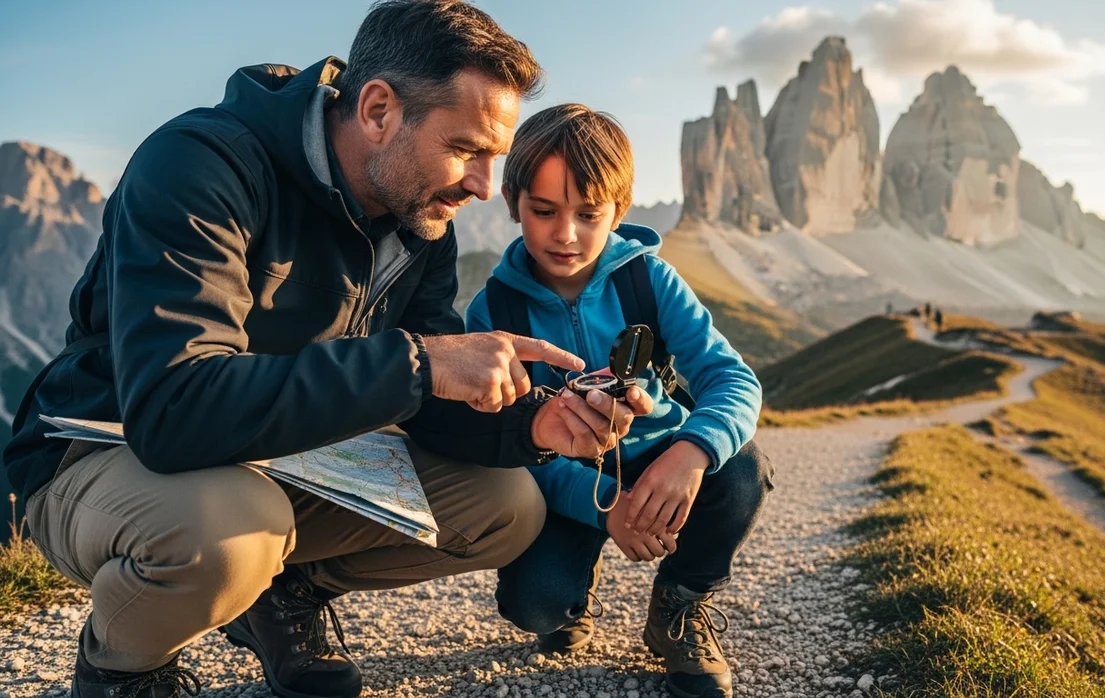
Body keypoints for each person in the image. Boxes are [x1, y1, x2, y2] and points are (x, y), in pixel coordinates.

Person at [1, 3, 653, 697]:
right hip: (107, 447)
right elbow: (173, 409)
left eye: (494, 157)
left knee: (507, 507)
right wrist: (419, 363)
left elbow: (425, 403)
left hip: (277, 456)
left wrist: (534, 425)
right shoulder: (200, 164)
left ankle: (279, 596)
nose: (484, 186)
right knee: (231, 532)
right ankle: (121, 667)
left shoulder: (420, 220)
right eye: (467, 150)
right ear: (377, 111)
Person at [466, 104, 773, 698]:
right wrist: (604, 507)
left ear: (620, 210)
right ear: (511, 201)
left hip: (659, 458)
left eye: (589, 214)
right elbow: (507, 444)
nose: (566, 234)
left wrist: (690, 453)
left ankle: (680, 604)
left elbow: (733, 380)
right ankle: (571, 596)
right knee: (536, 610)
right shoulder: (494, 312)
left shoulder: (648, 280)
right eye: (544, 211)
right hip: (562, 476)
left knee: (742, 471)